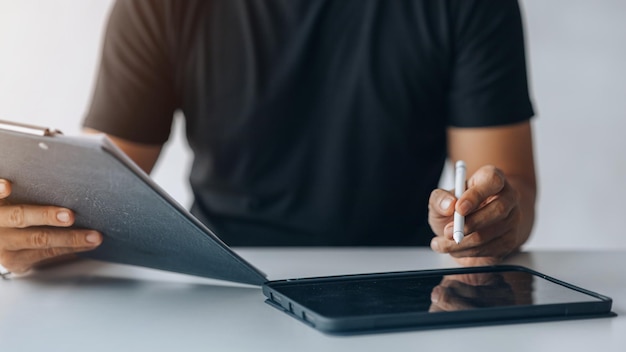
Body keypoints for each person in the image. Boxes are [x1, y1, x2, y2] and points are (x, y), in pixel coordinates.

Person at [0, 0, 536, 276]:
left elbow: (510, 192)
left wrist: (489, 219)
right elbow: (94, 198)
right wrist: (33, 236)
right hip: (220, 276)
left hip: (404, 277)